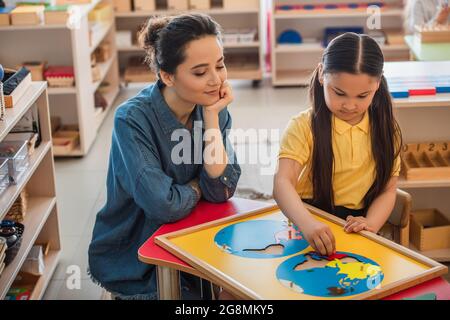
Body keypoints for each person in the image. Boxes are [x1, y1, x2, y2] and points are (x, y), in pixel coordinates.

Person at [88, 13, 241, 300]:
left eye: (220, 65)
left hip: (194, 240)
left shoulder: (213, 108)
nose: (216, 79)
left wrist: (210, 119)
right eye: (200, 72)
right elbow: (163, 206)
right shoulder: (131, 120)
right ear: (167, 75)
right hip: (136, 256)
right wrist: (198, 186)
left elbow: (222, 189)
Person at [273, 32, 402, 257]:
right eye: (339, 93)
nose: (350, 105)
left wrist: (370, 223)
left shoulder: (385, 129)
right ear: (322, 74)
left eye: (362, 96)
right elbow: (282, 183)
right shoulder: (303, 126)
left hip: (356, 226)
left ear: (378, 84)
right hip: (308, 221)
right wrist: (308, 224)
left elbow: (388, 190)